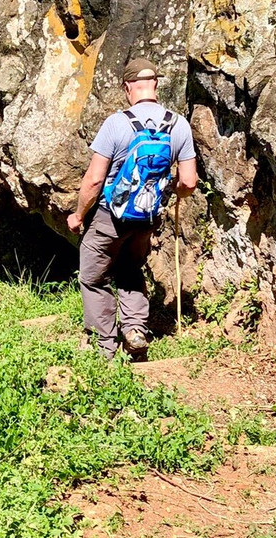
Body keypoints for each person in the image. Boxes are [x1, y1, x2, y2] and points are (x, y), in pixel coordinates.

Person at [67, 58, 198, 360]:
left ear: (128, 88)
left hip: (109, 217)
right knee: (130, 269)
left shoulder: (116, 123)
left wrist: (78, 215)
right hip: (146, 217)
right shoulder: (178, 124)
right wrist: (173, 191)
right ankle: (135, 330)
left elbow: (94, 179)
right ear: (155, 84)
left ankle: (104, 346)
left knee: (93, 278)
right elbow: (189, 182)